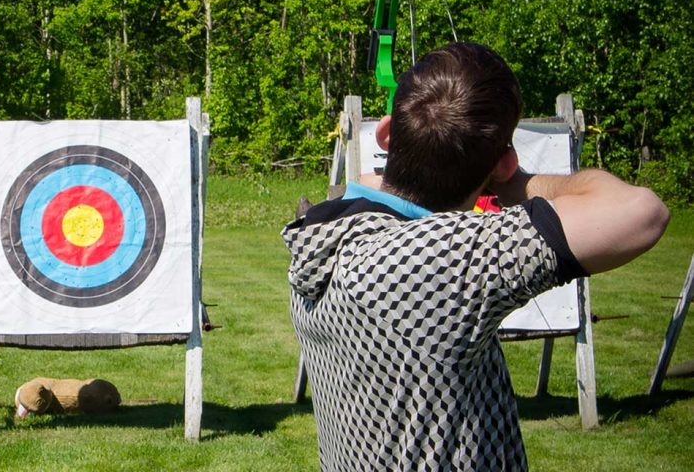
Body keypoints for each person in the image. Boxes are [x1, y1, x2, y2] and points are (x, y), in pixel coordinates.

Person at [282, 42, 669, 471]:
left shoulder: (325, 232)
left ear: (386, 134)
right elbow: (642, 212)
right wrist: (513, 181)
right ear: (502, 164)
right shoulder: (442, 259)